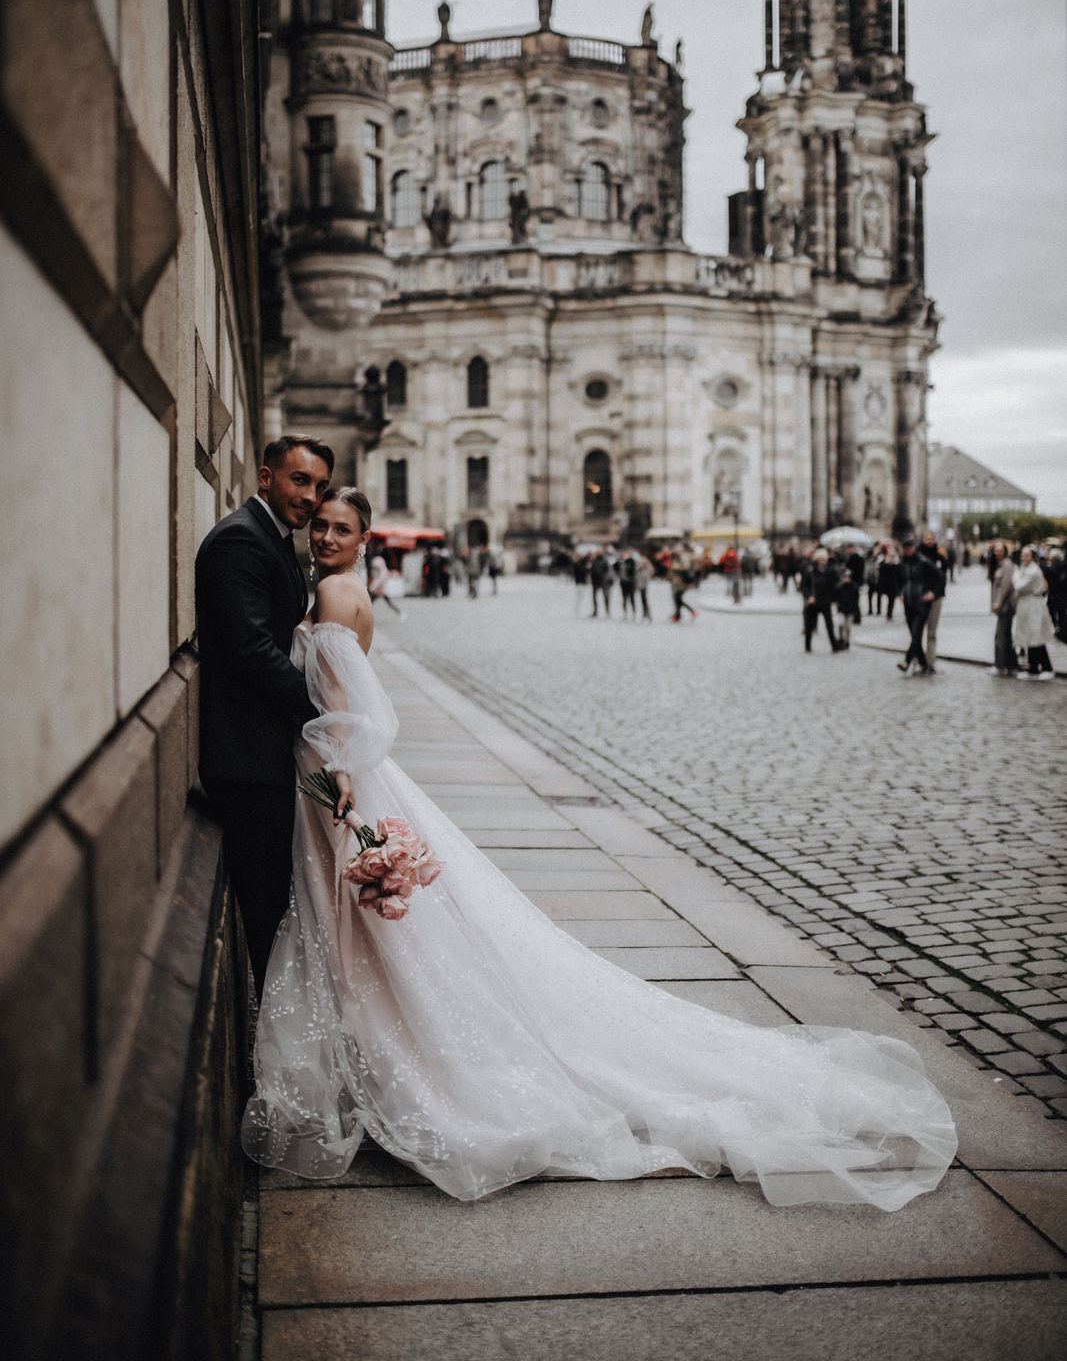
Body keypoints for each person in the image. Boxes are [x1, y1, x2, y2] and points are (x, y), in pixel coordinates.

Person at [241, 485, 957, 1210]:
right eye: (322, 526)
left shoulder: (332, 593)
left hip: (339, 775)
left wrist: (339, 778)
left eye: (340, 528)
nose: (325, 536)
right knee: (377, 931)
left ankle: (391, 1057)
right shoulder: (345, 590)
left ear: (364, 539)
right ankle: (382, 1050)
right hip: (348, 773)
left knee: (367, 927)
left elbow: (348, 708)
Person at [195, 433, 335, 994]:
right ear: (265, 477)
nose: (311, 496)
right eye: (300, 480)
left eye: (319, 485)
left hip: (262, 755)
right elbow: (253, 650)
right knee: (269, 912)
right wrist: (319, 712)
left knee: (278, 907)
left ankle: (279, 1032)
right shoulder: (240, 540)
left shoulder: (270, 537)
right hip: (247, 762)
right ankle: (273, 1043)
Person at [896, 535, 941, 676]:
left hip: (921, 602)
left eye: (908, 547)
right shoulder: (902, 563)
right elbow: (898, 580)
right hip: (908, 602)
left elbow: (940, 577)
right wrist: (900, 593)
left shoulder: (923, 562)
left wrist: (933, 593)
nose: (906, 550)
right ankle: (922, 663)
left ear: (913, 548)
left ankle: (907, 661)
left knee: (916, 633)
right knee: (914, 635)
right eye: (904, 548)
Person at [1011, 546, 1056, 679]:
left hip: (1033, 605)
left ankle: (1047, 667)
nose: (1023, 558)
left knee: (1036, 636)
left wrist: (1015, 574)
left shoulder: (1032, 571)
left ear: (1032, 557)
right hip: (1027, 604)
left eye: (1026, 555)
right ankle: (1033, 668)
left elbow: (1018, 585)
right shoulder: (1026, 568)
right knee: (1030, 636)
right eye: (1022, 555)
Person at [916, 530, 948, 671]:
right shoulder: (916, 555)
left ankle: (930, 662)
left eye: (931, 538)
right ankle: (918, 661)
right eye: (926, 538)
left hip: (935, 598)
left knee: (932, 632)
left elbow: (943, 577)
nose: (929, 541)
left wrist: (935, 593)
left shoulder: (940, 555)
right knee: (917, 632)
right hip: (920, 597)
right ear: (922, 540)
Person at [801, 548, 842, 652]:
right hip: (813, 601)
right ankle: (807, 646)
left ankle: (834, 646)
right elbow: (804, 586)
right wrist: (808, 596)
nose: (823, 562)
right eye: (821, 559)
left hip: (825, 601)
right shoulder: (810, 570)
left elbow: (835, 585)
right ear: (817, 559)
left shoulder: (830, 570)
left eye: (825, 559)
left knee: (829, 625)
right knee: (810, 625)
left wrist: (835, 600)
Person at [988, 541, 1018, 676]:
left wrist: (998, 603)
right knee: (1006, 636)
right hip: (1002, 606)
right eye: (996, 550)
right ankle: (1011, 666)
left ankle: (1000, 666)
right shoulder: (998, 564)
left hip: (1006, 606)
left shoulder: (1007, 565)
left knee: (1000, 637)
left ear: (1005, 551)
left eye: (1000, 550)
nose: (998, 552)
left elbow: (1006, 586)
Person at [368, 550, 405, 617]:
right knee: (372, 602)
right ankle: (400, 613)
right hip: (379, 588)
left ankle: (400, 613)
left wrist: (373, 586)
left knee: (371, 602)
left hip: (379, 588)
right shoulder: (380, 563)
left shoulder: (377, 563)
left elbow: (380, 577)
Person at [668, 549, 697, 622]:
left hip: (681, 584)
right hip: (677, 584)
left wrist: (676, 568)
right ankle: (677, 615)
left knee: (678, 599)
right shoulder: (679, 559)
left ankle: (691, 611)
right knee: (677, 599)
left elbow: (684, 568)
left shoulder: (683, 559)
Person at [589, 549, 614, 617]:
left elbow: (607, 570)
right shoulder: (594, 560)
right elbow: (592, 570)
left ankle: (607, 611)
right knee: (594, 597)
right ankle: (595, 611)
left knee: (605, 597)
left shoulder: (605, 561)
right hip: (595, 581)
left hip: (603, 581)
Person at [634, 551, 654, 622]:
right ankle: (645, 614)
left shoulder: (647, 569)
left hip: (644, 586)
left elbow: (647, 577)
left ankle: (648, 615)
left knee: (645, 601)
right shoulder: (639, 569)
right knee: (642, 601)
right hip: (640, 586)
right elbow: (636, 576)